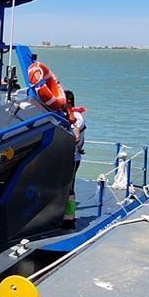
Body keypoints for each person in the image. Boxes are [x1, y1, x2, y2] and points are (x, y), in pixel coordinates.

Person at [63, 90, 85, 226]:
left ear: (69, 102)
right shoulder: (66, 114)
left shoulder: (76, 117)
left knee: (69, 188)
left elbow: (76, 136)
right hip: (66, 157)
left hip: (72, 158)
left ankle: (69, 218)